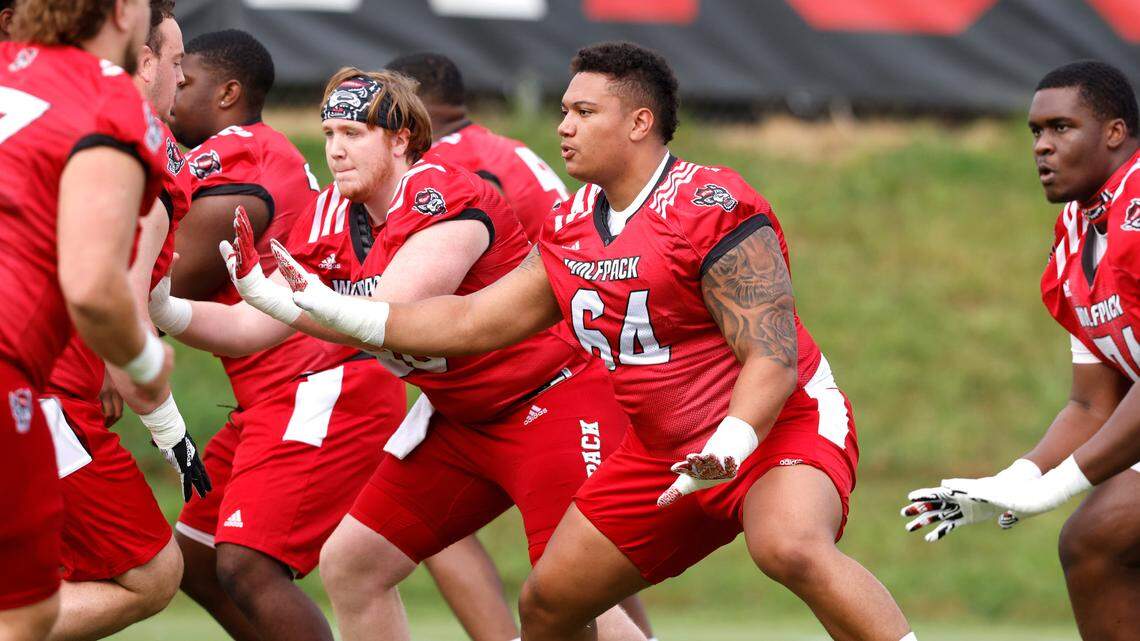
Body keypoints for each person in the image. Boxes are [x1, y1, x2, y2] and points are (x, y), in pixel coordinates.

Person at [281, 43, 917, 641]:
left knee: (788, 546)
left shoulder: (710, 203)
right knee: (549, 605)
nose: (564, 126)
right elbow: (471, 323)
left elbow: (772, 357)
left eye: (584, 112)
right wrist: (320, 305)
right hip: (660, 450)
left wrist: (733, 440)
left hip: (773, 422)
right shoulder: (573, 220)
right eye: (563, 111)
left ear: (640, 122)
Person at [151, 66, 647, 641]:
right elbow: (246, 329)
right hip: (458, 419)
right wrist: (164, 304)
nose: (335, 150)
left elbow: (387, 314)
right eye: (330, 132)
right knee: (353, 565)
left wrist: (282, 299)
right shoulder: (333, 214)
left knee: (563, 592)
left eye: (354, 133)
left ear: (400, 138)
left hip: (545, 402)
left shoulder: (443, 192)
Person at [388, 50, 658, 641]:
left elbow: (456, 287)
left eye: (371, 118)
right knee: (579, 565)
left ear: (405, 110)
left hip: (538, 368)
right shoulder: (496, 147)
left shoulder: (443, 172)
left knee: (566, 572)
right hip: (551, 349)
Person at [160, 30, 405, 641]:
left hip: (316, 383)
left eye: (182, 80)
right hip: (276, 386)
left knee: (249, 564)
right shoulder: (250, 151)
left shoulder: (237, 148)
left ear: (228, 94)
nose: (169, 92)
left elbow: (173, 275)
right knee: (193, 558)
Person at [903, 60, 1140, 640]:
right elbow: (1093, 404)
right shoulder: (1076, 235)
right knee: (1093, 542)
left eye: (1062, 128)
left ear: (1113, 132)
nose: (1043, 147)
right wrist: (1018, 477)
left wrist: (1052, 489)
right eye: (1036, 132)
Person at [0, 0, 175, 638]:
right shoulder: (110, 99)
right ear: (126, 10)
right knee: (26, 613)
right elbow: (96, 289)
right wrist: (146, 366)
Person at [37, 2, 211, 638]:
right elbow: (115, 301)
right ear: (143, 61)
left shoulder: (43, 105)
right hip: (34, 388)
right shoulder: (135, 146)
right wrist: (169, 429)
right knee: (151, 570)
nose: (183, 77)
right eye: (174, 61)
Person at [387, 51, 568, 241]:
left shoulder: (451, 161)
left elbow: (483, 243)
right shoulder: (484, 145)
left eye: (385, 101)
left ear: (408, 100)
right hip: (570, 258)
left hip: (554, 265)